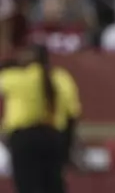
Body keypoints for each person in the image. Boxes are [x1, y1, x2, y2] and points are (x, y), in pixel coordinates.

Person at [0, 45, 81, 193]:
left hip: (24, 139)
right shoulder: (62, 78)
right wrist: (67, 147)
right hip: (55, 138)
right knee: (54, 185)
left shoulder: (17, 78)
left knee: (27, 185)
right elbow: (72, 114)